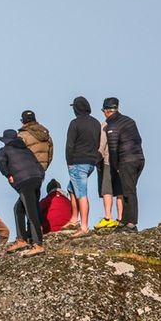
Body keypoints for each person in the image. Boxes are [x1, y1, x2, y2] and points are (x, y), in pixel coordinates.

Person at [0, 129, 46, 257]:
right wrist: (40, 177)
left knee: (31, 212)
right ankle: (21, 239)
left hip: (24, 182)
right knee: (18, 209)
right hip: (37, 179)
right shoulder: (26, 149)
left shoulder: (4, 150)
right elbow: (38, 165)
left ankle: (38, 244)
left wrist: (8, 174)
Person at [103, 97, 145, 233]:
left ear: (107, 111)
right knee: (126, 190)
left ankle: (131, 223)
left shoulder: (112, 126)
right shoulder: (129, 121)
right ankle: (124, 221)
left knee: (129, 191)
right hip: (139, 159)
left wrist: (115, 166)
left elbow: (113, 149)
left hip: (127, 161)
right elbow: (139, 140)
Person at [64, 96, 100, 237]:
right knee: (71, 188)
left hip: (77, 162)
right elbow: (98, 143)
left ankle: (84, 226)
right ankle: (74, 219)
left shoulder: (75, 123)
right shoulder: (96, 123)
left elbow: (70, 145)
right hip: (91, 162)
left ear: (76, 109)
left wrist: (69, 162)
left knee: (81, 194)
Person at [94, 116, 122, 229]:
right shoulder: (124, 124)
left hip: (108, 161)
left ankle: (107, 217)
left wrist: (96, 160)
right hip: (122, 161)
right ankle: (120, 218)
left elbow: (102, 145)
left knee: (107, 190)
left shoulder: (105, 126)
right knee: (120, 191)